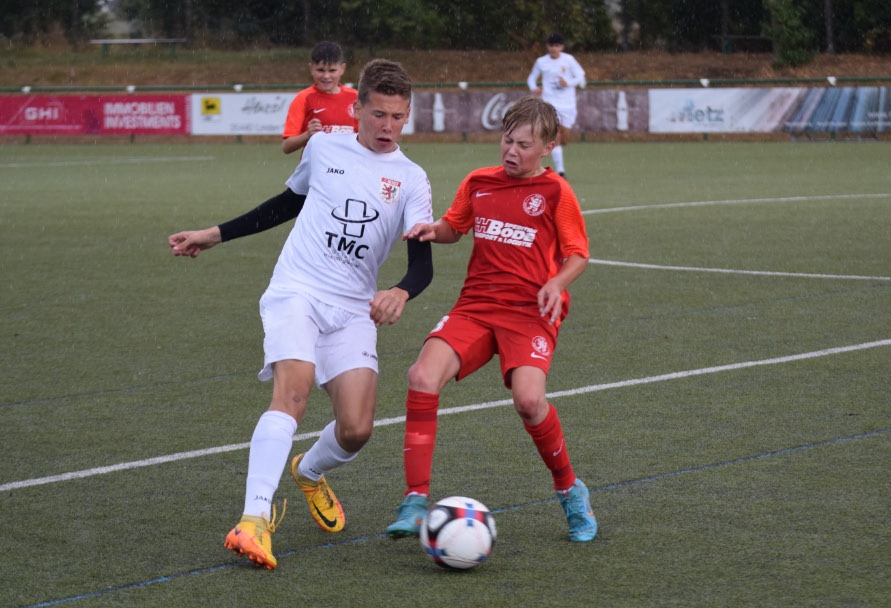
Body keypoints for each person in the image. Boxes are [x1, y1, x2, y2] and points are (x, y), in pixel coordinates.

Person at [168, 59, 434, 570]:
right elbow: (286, 204)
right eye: (378, 114)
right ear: (356, 110)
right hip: (298, 290)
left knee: (356, 429)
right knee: (293, 393)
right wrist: (214, 234)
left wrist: (401, 291)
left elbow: (421, 264)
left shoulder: (412, 179)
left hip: (353, 308)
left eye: (398, 117)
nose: (387, 126)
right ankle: (253, 519)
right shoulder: (324, 147)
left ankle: (308, 472)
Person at [384, 96, 598, 544]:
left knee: (529, 401)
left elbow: (578, 254)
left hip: (530, 312)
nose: (511, 151)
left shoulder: (556, 192)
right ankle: (415, 500)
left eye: (524, 145)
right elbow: (454, 227)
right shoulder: (479, 182)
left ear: (548, 148)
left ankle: (570, 489)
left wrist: (556, 283)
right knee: (421, 375)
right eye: (507, 140)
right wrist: (433, 231)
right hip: (477, 306)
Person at [281, 41, 359, 154]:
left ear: (342, 68)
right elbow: (286, 147)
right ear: (311, 68)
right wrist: (307, 134)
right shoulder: (303, 98)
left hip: (348, 164)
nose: (326, 76)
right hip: (315, 165)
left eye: (332, 70)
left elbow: (366, 137)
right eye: (320, 70)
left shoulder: (356, 98)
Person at [527, 33, 586, 179]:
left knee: (564, 138)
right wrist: (534, 88)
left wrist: (568, 83)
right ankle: (560, 171)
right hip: (550, 103)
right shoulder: (541, 61)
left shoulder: (569, 60)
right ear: (547, 46)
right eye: (551, 45)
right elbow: (531, 78)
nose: (554, 48)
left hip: (568, 105)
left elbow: (580, 75)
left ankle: (558, 159)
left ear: (562, 47)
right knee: (555, 135)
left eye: (557, 45)